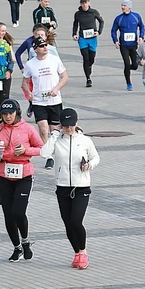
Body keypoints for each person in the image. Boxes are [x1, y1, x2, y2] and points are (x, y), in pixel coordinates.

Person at [39, 108, 100, 269]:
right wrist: (54, 134)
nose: (69, 129)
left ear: (76, 123)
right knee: (67, 223)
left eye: (71, 125)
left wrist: (89, 165)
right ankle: (76, 252)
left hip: (81, 187)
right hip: (63, 186)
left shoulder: (85, 140)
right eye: (66, 126)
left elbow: (96, 157)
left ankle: (83, 251)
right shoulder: (57, 139)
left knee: (76, 221)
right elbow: (44, 153)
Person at [0, 99, 42, 262]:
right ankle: (16, 247)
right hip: (4, 175)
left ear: (17, 113)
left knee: (18, 211)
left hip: (24, 174)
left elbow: (42, 148)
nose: (7, 117)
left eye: (10, 113)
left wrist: (26, 150)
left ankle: (25, 241)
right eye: (4, 114)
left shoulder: (28, 129)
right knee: (8, 215)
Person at [21, 37, 68, 168]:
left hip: (54, 100)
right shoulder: (31, 64)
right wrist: (28, 93)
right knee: (43, 128)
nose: (45, 48)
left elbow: (65, 77)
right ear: (35, 49)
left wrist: (56, 88)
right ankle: (49, 156)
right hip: (38, 101)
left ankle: (57, 153)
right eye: (41, 46)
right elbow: (24, 82)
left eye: (46, 45)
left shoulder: (54, 60)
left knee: (55, 131)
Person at [110, 0, 145, 91]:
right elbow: (113, 30)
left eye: (124, 5)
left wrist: (141, 37)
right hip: (124, 45)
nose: (122, 7)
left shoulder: (136, 16)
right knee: (126, 63)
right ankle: (128, 83)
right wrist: (115, 41)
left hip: (133, 45)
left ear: (129, 7)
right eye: (122, 5)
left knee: (135, 65)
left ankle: (127, 69)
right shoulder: (119, 18)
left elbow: (142, 27)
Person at [72, 0, 104, 87]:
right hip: (83, 38)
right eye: (82, 3)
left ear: (89, 3)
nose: (84, 5)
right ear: (80, 4)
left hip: (92, 38)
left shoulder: (94, 12)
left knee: (91, 58)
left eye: (85, 3)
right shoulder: (78, 14)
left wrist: (98, 32)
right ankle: (88, 78)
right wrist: (74, 34)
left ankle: (89, 66)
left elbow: (101, 21)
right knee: (85, 58)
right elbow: (75, 24)